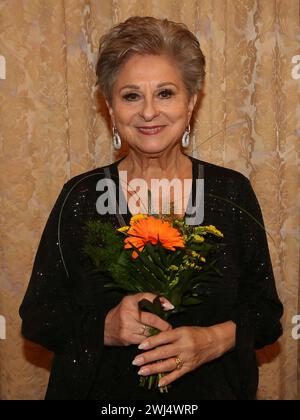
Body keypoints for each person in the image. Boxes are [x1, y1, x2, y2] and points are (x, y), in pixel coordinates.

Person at [19, 16, 283, 400]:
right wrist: (105, 326)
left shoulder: (231, 192)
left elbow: (265, 314)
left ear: (191, 101)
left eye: (164, 93)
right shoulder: (81, 196)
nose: (147, 112)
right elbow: (39, 317)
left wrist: (213, 339)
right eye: (130, 95)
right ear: (110, 108)